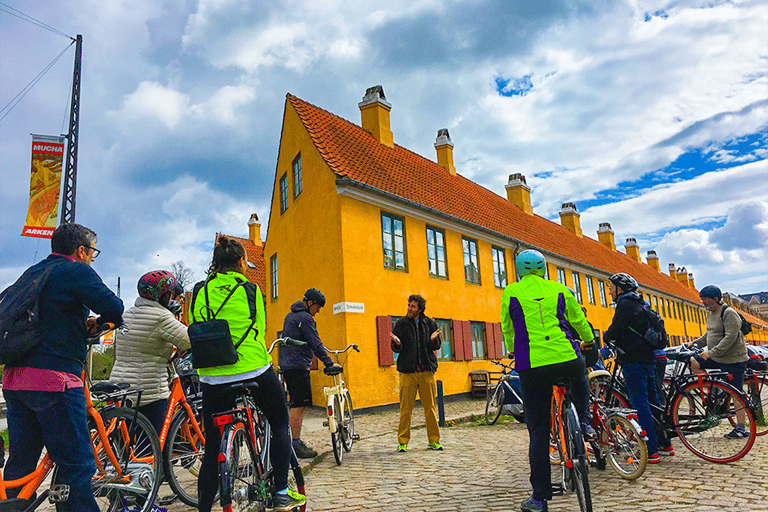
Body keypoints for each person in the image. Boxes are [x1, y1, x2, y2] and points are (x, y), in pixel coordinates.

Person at [2, 223, 124, 512]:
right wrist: (102, 322)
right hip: (54, 380)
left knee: (21, 460)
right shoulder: (76, 270)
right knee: (77, 461)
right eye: (92, 251)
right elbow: (114, 306)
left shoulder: (33, 273)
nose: (93, 257)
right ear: (81, 250)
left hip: (14, 380)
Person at [191, 236, 304, 512]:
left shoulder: (199, 291)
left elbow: (196, 325)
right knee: (279, 422)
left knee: (213, 445)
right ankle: (279, 491)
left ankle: (204, 506)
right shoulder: (251, 290)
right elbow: (260, 330)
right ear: (242, 262)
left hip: (214, 374)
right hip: (253, 367)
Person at [500, 250, 594, 512]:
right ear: (543, 269)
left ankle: (539, 498)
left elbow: (507, 327)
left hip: (533, 365)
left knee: (538, 431)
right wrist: (588, 340)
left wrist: (511, 347)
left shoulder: (511, 292)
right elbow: (578, 320)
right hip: (567, 358)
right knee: (580, 374)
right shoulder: (559, 289)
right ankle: (584, 422)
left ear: (519, 270)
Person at [110, 270, 190, 435]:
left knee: (129, 444)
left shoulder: (127, 315)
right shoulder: (161, 317)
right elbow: (189, 339)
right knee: (153, 445)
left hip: (120, 387)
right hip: (148, 391)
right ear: (164, 295)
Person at [604, 272, 670, 465]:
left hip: (633, 360)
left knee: (640, 404)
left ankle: (650, 450)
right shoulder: (642, 303)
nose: (609, 292)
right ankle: (665, 443)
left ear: (620, 289)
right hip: (649, 359)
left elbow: (615, 331)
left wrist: (607, 336)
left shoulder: (625, 305)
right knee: (654, 401)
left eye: (610, 288)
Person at [280, 288, 338, 459]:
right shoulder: (305, 318)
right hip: (297, 366)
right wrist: (328, 362)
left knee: (295, 404)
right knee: (299, 405)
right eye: (318, 306)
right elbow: (315, 342)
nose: (319, 310)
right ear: (310, 303)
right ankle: (295, 444)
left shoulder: (290, 315)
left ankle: (293, 442)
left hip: (288, 365)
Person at [686, 285, 750, 439]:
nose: (703, 302)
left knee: (736, 392)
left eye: (706, 299)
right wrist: (694, 343)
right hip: (718, 358)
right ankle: (714, 391)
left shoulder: (728, 313)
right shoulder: (711, 314)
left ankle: (741, 428)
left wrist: (711, 353)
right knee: (693, 361)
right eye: (702, 299)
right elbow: (710, 333)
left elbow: (730, 338)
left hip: (733, 359)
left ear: (716, 299)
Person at [389, 294, 443, 452]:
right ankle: (402, 442)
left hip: (427, 372)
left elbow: (437, 345)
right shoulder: (401, 324)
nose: (409, 308)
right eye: (408, 305)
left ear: (420, 309)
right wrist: (397, 343)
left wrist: (433, 340)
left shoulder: (429, 323)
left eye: (412, 306)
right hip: (408, 373)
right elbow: (395, 347)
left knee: (430, 408)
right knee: (406, 409)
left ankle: (434, 441)